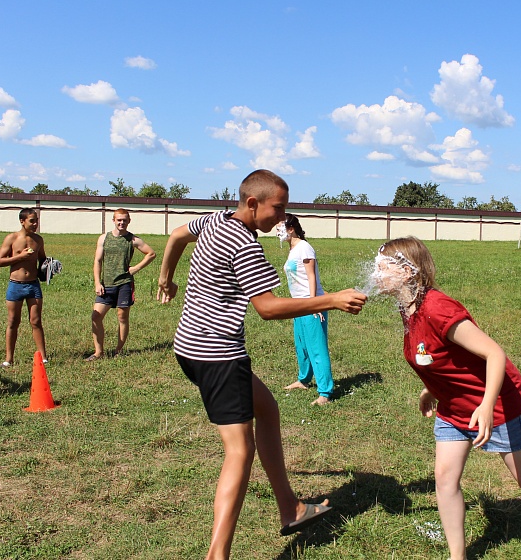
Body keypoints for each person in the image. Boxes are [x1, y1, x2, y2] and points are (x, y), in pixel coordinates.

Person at [157, 169, 367, 560]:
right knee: (239, 451)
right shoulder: (244, 244)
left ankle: (291, 508)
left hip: (189, 347)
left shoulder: (215, 220)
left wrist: (166, 277)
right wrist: (330, 299)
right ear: (253, 204)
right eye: (279, 208)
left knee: (267, 410)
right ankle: (217, 554)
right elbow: (267, 308)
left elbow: (175, 236)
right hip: (218, 355)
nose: (283, 217)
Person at [373, 236, 521, 560]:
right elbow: (440, 356)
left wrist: (487, 406)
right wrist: (432, 390)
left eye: (382, 269)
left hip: (499, 403)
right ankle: (457, 556)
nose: (375, 276)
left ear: (407, 272)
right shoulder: (408, 308)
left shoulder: (437, 308)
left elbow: (493, 353)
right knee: (445, 479)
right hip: (455, 408)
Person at [277, 214, 334, 406]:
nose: (278, 231)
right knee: (301, 345)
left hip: (310, 303)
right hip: (298, 305)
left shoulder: (304, 247)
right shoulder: (293, 249)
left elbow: (311, 277)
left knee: (316, 348)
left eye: (280, 226)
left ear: (291, 228)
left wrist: (314, 304)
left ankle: (325, 393)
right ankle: (303, 380)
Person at [88, 209, 156, 361]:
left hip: (125, 284)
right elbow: (97, 261)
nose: (121, 223)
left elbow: (151, 253)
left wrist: (136, 268)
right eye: (119, 220)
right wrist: (97, 282)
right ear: (113, 220)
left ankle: (118, 351)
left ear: (129, 221)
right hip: (107, 284)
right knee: (96, 316)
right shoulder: (104, 238)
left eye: (124, 220)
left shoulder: (132, 239)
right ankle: (98, 352)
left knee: (122, 317)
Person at [0, 208, 48, 368]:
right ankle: (9, 358)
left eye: (36, 220)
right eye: (32, 220)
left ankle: (43, 358)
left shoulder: (38, 240)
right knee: (13, 321)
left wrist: (48, 267)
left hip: (33, 285)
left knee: (36, 321)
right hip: (15, 285)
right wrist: (20, 257)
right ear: (22, 221)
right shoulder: (12, 238)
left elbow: (43, 260)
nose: (35, 224)